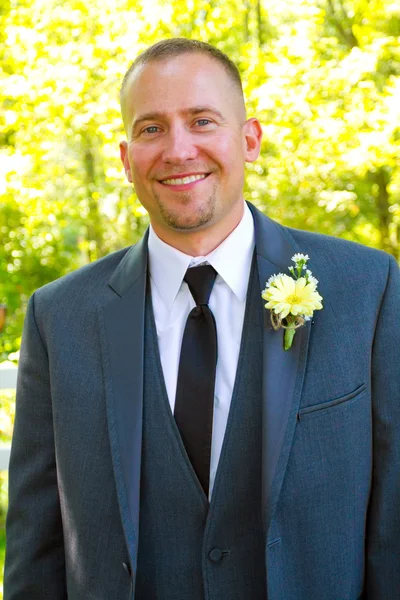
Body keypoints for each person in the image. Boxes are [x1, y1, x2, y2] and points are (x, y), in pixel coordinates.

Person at [4, 38, 400, 600]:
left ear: (249, 140)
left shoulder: (369, 288)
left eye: (202, 120)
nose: (178, 149)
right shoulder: (58, 316)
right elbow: (35, 545)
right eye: (151, 129)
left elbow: (393, 525)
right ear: (125, 159)